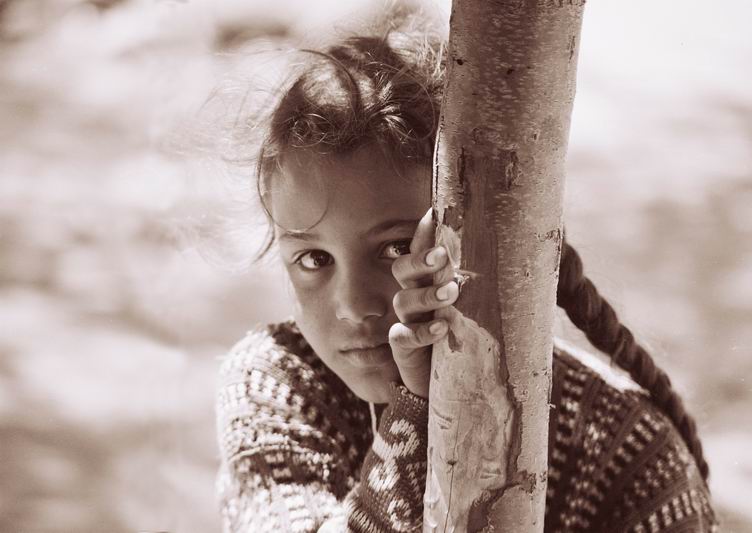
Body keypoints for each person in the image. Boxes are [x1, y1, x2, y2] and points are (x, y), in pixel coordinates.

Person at [213, 21, 718, 533]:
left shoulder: (622, 452)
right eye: (313, 260)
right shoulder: (278, 387)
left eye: (395, 249)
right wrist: (419, 411)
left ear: (479, 240)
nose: (352, 304)